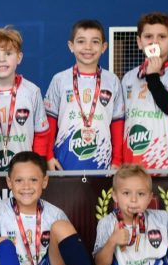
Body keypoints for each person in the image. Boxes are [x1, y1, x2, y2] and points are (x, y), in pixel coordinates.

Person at [0, 152, 123, 265]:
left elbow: (71, 252)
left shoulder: (54, 213)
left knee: (61, 227)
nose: (26, 186)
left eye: (33, 180)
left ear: (44, 181)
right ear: (9, 182)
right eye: (19, 180)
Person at [44, 19, 124, 171]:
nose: (88, 47)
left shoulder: (112, 80)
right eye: (81, 41)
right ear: (71, 46)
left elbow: (117, 124)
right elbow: (50, 122)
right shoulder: (60, 80)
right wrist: (48, 156)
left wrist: (117, 160)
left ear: (104, 47)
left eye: (95, 42)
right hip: (63, 163)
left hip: (103, 164)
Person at [122, 12, 168, 169]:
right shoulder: (129, 77)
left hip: (165, 164)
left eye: (162, 37)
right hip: (132, 163)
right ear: (139, 42)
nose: (154, 42)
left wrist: (152, 76)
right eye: (148, 37)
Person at [0, 27, 50, 172]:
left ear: (19, 57)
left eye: (8, 53)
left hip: (23, 174)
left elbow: (41, 134)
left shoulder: (32, 91)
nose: (1, 59)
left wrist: (36, 166)